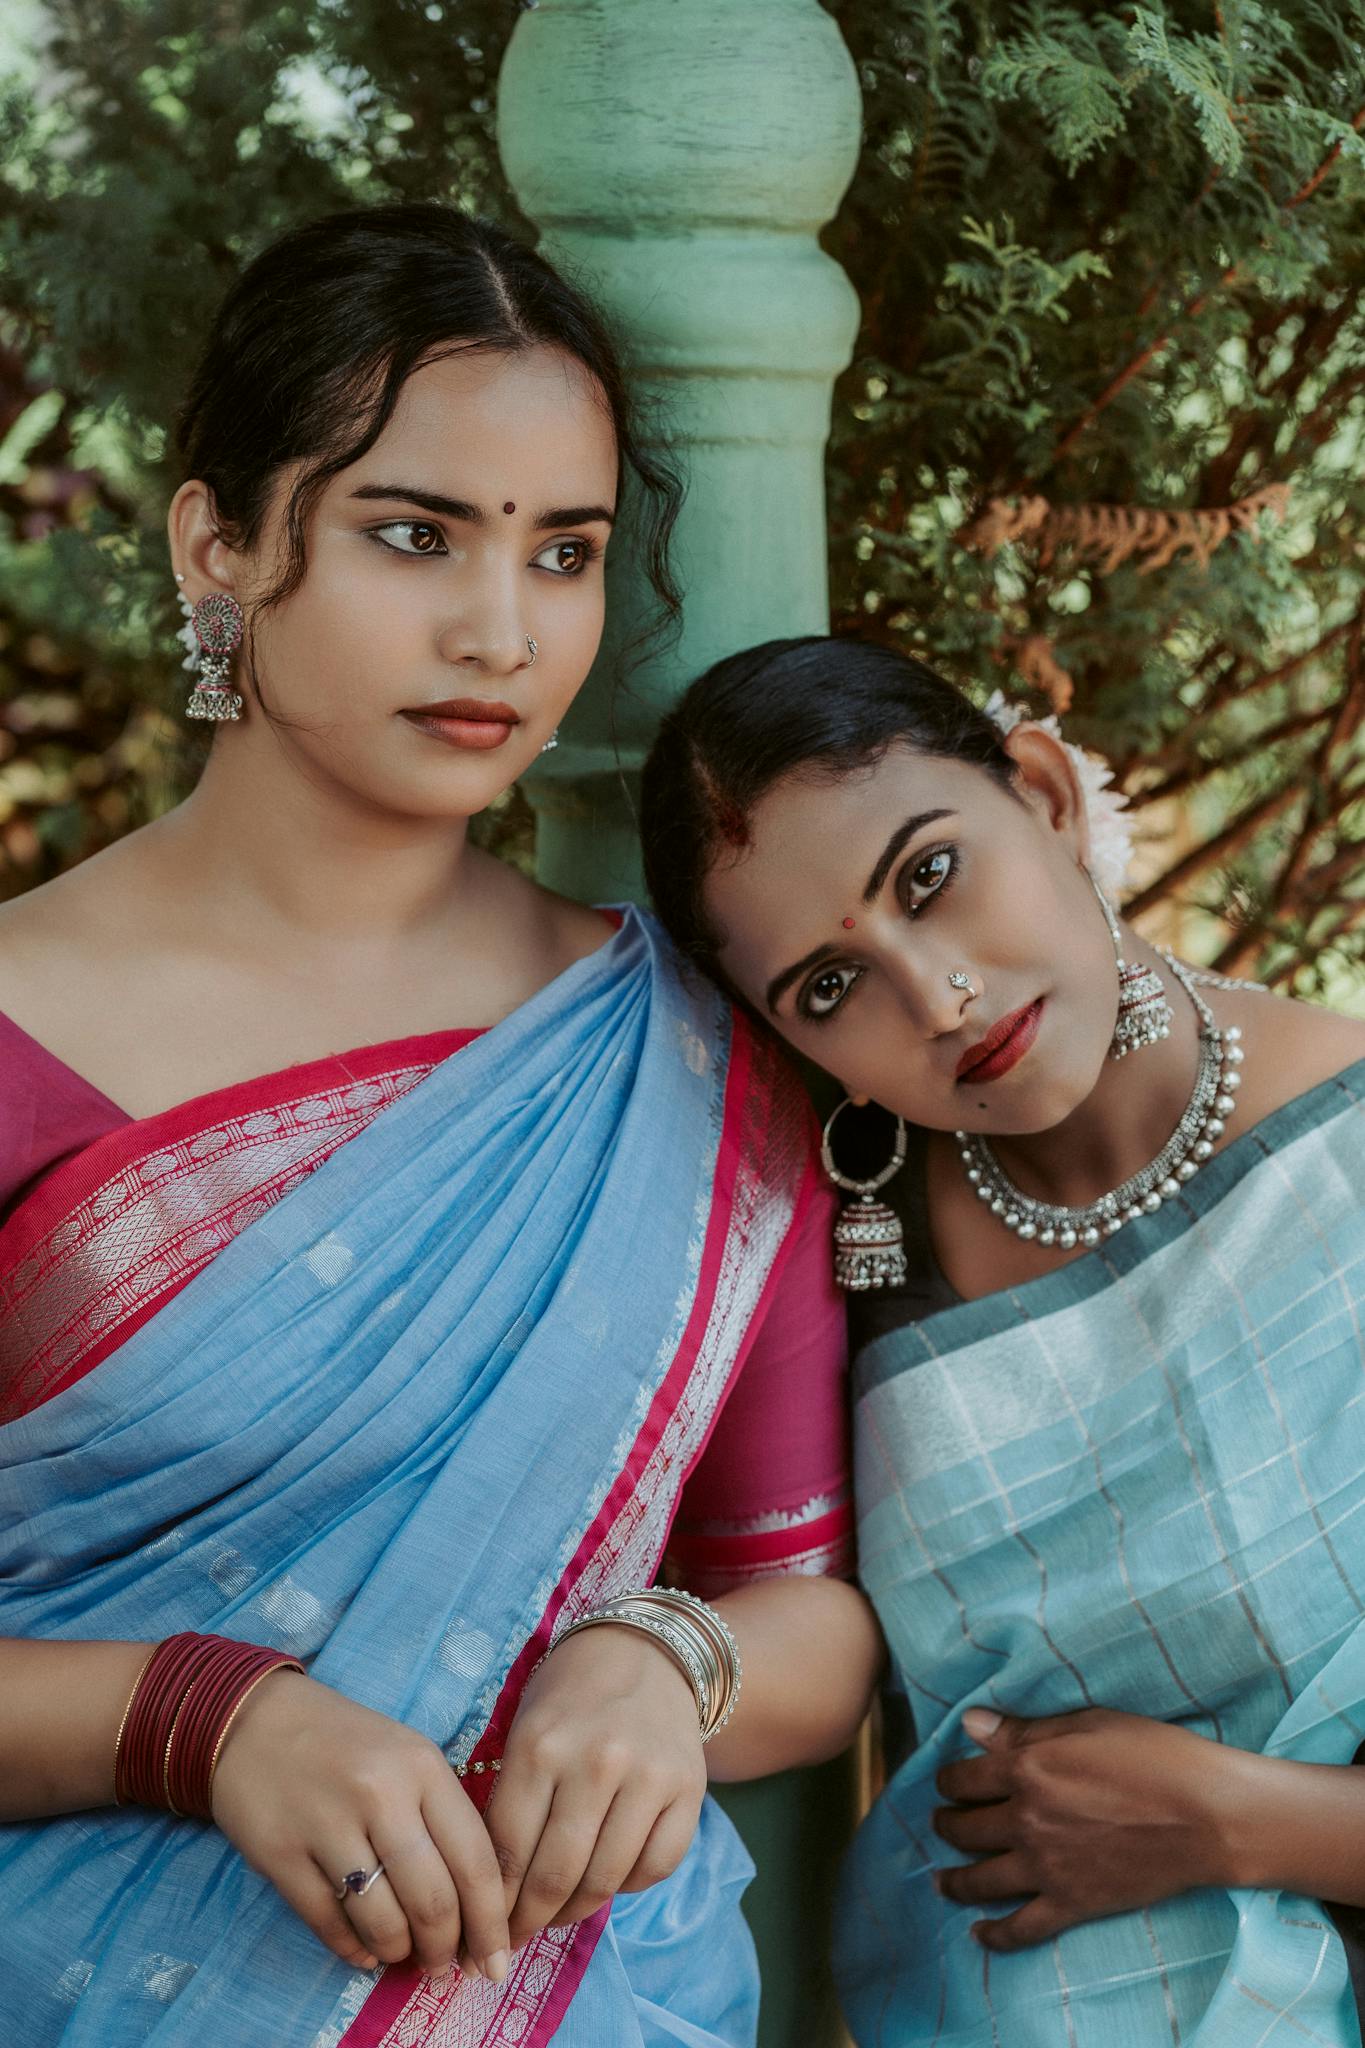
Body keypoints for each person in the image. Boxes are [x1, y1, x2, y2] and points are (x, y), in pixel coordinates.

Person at [0, 218, 882, 2048]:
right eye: (416, 535)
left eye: (561, 554)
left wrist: (664, 1663)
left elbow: (798, 1605)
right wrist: (200, 1718)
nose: (503, 632)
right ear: (217, 545)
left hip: (570, 1997)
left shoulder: (687, 1065)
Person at [639, 632, 1365, 2047]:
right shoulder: (842, 1262)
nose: (937, 996)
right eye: (828, 989)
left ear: (1036, 791)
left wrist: (1239, 1823)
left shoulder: (1342, 1161)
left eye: (927, 877)